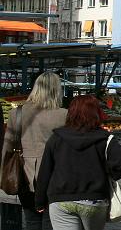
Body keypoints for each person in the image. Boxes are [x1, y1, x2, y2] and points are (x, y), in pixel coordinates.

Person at [34, 96, 121, 230]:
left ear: (71, 113)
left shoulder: (56, 138)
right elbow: (120, 164)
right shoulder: (106, 138)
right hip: (94, 199)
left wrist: (39, 202)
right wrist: (108, 173)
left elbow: (45, 172)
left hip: (61, 199)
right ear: (96, 113)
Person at [2, 72, 67, 230]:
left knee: (31, 220)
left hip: (25, 173)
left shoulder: (17, 113)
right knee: (50, 220)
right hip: (55, 174)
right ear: (56, 90)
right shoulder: (64, 115)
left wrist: (3, 172)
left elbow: (8, 147)